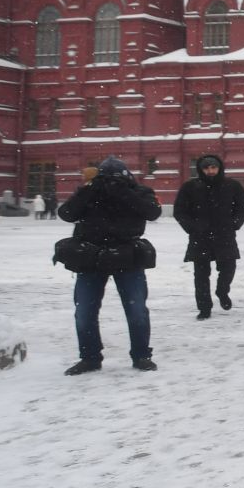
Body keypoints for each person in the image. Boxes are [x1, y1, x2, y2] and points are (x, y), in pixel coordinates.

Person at [56, 156, 161, 374]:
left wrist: (125, 192)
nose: (109, 183)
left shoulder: (138, 191)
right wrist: (89, 191)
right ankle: (90, 357)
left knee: (136, 310)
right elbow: (66, 213)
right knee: (84, 311)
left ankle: (141, 355)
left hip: (127, 255)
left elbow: (152, 212)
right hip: (91, 257)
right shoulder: (89, 192)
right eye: (106, 178)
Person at [172, 153, 244, 319]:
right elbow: (179, 211)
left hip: (225, 234)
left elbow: (243, 207)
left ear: (219, 167)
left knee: (228, 268)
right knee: (201, 275)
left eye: (214, 167)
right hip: (200, 237)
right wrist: (192, 228)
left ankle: (222, 291)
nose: (210, 171)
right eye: (206, 168)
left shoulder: (232, 186)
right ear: (201, 169)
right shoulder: (190, 187)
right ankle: (204, 308)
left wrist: (235, 223)